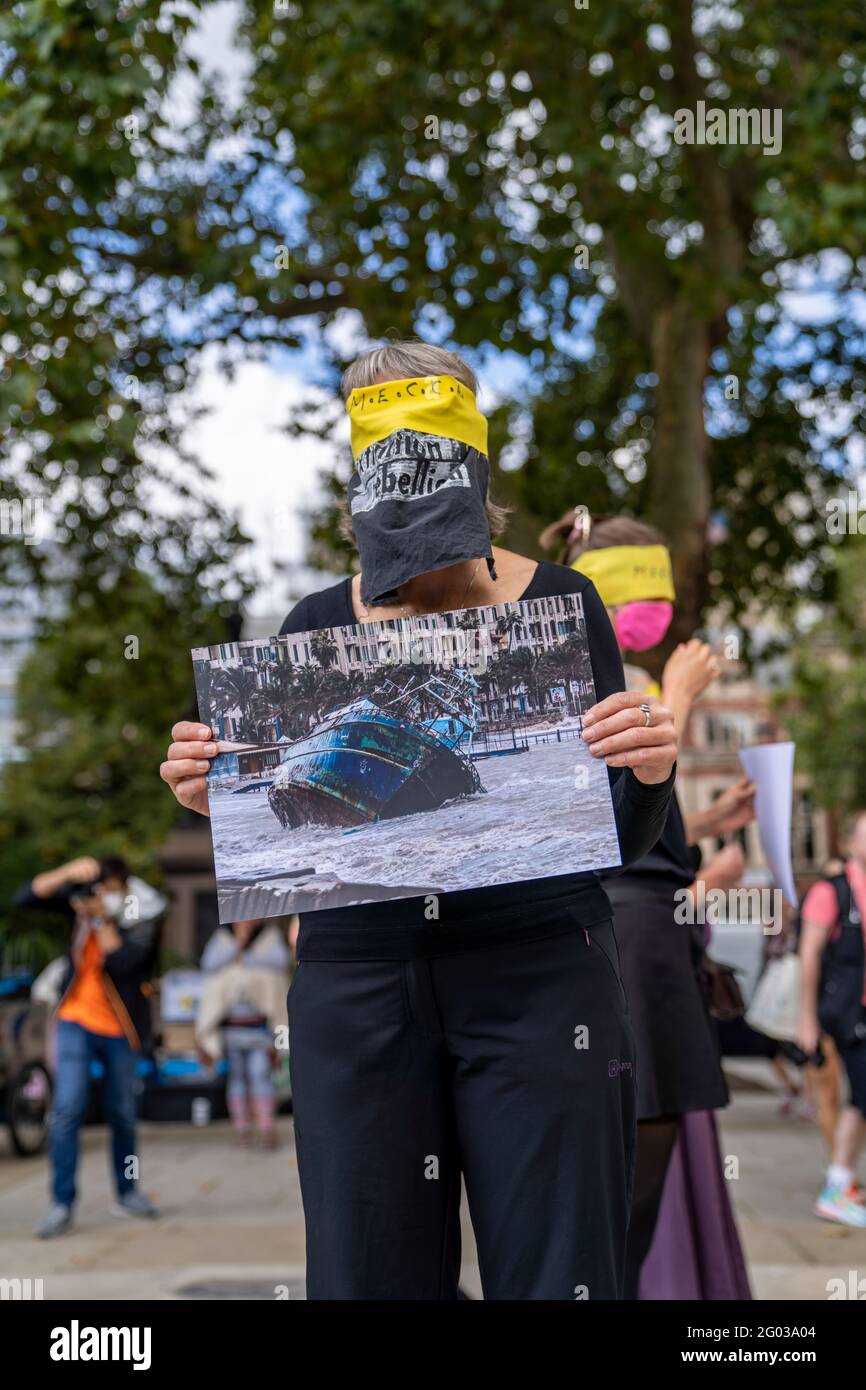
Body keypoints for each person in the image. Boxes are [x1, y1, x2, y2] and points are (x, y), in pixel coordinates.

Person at [162, 339, 679, 1300]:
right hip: (357, 990)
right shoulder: (313, 623)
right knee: (368, 1275)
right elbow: (282, 841)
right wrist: (212, 796)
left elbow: (628, 832)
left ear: (472, 450)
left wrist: (652, 769)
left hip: (541, 980)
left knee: (562, 1269)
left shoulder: (568, 604)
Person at [544, 508, 754, 1298]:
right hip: (631, 943)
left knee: (639, 1160)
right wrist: (681, 697)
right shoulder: (596, 686)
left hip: (647, 935)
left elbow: (636, 831)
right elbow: (608, 837)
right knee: (630, 1161)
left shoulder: (620, 682)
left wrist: (700, 823)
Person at [15, 855, 165, 1238]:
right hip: (74, 1022)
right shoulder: (80, 902)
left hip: (121, 1028)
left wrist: (100, 919)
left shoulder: (144, 911)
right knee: (67, 1111)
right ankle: (61, 1203)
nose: (103, 895)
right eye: (99, 888)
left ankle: (128, 1191)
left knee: (124, 1115)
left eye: (110, 889)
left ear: (124, 888)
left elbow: (128, 964)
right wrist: (68, 873)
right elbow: (25, 897)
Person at [797, 811, 866, 1227]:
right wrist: (806, 1019)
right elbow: (808, 957)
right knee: (859, 1097)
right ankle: (837, 1188)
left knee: (860, 1098)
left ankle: (841, 1184)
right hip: (849, 1014)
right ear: (852, 843)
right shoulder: (831, 891)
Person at [197, 918, 291, 1149]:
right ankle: (242, 1129)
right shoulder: (222, 937)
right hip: (231, 1027)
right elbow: (208, 964)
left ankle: (266, 1128)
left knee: (260, 1074)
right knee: (237, 1077)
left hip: (260, 1028)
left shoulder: (269, 937)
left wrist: (245, 957)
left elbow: (279, 963)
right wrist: (237, 943)